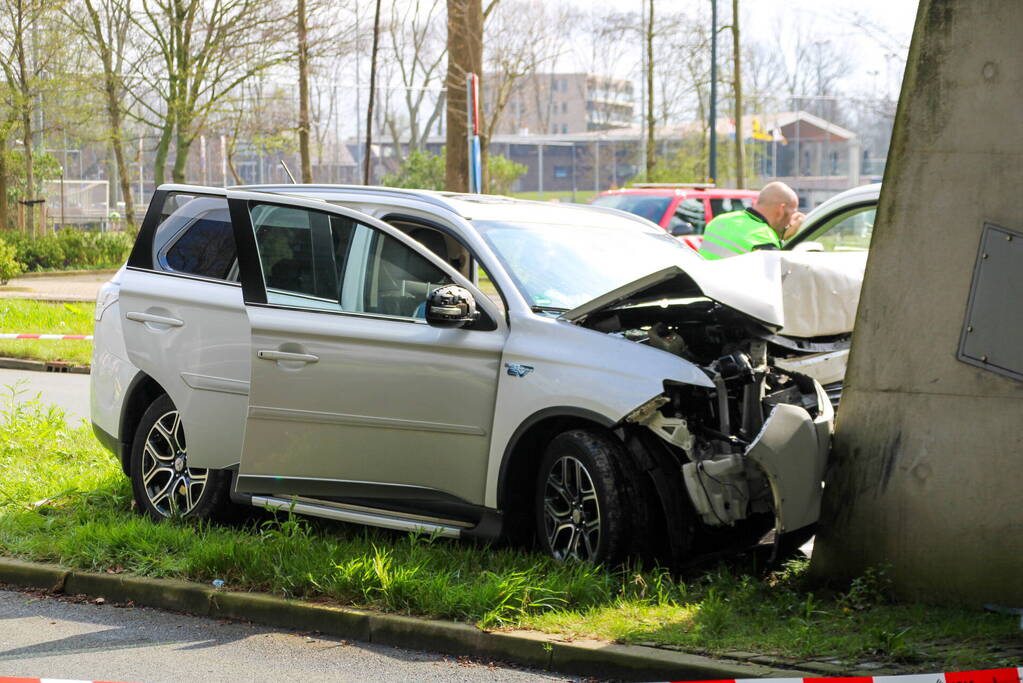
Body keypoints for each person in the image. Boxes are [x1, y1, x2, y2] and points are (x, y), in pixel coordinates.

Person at [698, 181, 805, 260]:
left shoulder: (719, 221)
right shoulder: (764, 238)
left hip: (701, 288)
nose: (791, 220)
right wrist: (783, 239)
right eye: (792, 213)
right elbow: (778, 277)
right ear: (781, 209)